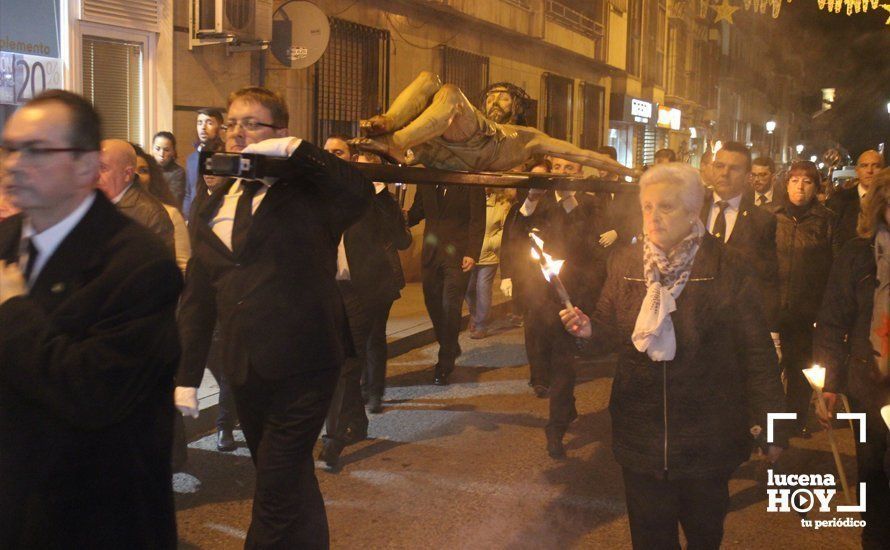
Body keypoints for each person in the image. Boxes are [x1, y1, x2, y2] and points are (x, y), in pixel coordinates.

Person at [174, 86, 372, 547]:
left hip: (305, 362)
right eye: (231, 123)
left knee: (274, 491)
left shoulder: (309, 195)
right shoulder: (214, 202)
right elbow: (200, 296)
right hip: (245, 366)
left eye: (251, 123)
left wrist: (295, 151)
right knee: (285, 475)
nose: (237, 132)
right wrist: (186, 374)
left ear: (279, 132)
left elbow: (358, 189)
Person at [560, 162, 786, 549]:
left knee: (704, 535)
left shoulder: (728, 267)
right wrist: (588, 331)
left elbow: (756, 350)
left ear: (693, 210)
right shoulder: (626, 263)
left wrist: (774, 425)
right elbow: (612, 332)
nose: (653, 216)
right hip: (641, 436)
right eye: (647, 207)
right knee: (650, 540)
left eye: (666, 207)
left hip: (707, 435)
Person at [0, 90, 181, 547]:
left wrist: (12, 310)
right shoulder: (4, 240)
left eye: (37, 150)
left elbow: (91, 394)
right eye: (10, 148)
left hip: (90, 517)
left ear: (85, 166)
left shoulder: (137, 264)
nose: (14, 163)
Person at [318, 137, 411, 468]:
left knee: (344, 362)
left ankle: (333, 438)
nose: (332, 157)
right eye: (327, 153)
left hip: (363, 291)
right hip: (329, 289)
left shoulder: (369, 196)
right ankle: (357, 422)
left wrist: (381, 192)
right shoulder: (314, 192)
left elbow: (402, 239)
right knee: (341, 359)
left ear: (353, 158)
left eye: (339, 153)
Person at [353, 71, 634, 178]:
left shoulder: (529, 137)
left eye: (504, 99)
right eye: (491, 98)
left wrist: (628, 172)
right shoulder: (466, 118)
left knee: (451, 92)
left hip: (481, 146)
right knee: (429, 79)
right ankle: (387, 123)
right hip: (445, 144)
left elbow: (581, 155)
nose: (495, 103)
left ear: (518, 106)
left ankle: (397, 141)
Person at [814, 167, 890, 548]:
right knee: (872, 469)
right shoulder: (857, 256)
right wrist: (828, 385)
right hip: (868, 382)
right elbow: (831, 320)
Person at [516, 156, 605, 457]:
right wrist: (530, 199)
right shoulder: (538, 201)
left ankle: (555, 429)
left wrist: (569, 199)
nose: (562, 173)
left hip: (573, 295)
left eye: (569, 168)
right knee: (541, 357)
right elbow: (517, 232)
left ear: (579, 172)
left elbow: (589, 241)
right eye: (558, 167)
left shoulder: (588, 203)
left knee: (562, 363)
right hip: (539, 294)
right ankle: (566, 405)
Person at [406, 163, 486, 385]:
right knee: (432, 303)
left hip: (458, 255)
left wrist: (472, 252)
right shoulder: (427, 179)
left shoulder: (469, 178)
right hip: (431, 254)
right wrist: (397, 218)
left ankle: (445, 362)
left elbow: (478, 219)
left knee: (451, 306)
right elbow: (417, 211)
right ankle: (450, 343)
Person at [773, 161, 835, 436]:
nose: (800, 186)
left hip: (805, 308)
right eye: (795, 180)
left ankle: (795, 421)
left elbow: (833, 265)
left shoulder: (826, 220)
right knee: (768, 366)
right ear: (786, 184)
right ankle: (765, 422)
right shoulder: (771, 216)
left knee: (799, 367)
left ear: (816, 187)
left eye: (807, 181)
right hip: (772, 305)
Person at [703, 142, 780, 358]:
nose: (724, 173)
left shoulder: (762, 221)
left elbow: (768, 278)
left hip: (737, 328)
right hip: (692, 325)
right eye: (719, 166)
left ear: (747, 176)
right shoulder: (691, 208)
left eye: (734, 168)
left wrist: (772, 331)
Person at [97, 139, 175, 251]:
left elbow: (160, 266)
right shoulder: (90, 204)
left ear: (127, 174)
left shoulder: (151, 214)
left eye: (103, 168)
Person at [133, 144, 191, 272]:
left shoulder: (169, 214)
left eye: (143, 171)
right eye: (132, 170)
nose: (137, 176)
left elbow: (183, 266)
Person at [466, 187, 513, 339]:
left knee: (482, 288)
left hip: (489, 256)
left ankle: (481, 324)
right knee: (468, 288)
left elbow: (505, 229)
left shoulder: (502, 203)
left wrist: (489, 243)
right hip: (469, 254)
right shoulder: (469, 199)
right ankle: (474, 314)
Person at [826, 149, 885, 254]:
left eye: (876, 166)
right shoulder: (840, 201)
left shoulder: (887, 201)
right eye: (864, 166)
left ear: (883, 170)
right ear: (857, 170)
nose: (870, 171)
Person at [184, 108, 225, 216]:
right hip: (194, 216)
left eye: (209, 123)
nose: (203, 127)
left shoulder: (226, 155)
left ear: (220, 127)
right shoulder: (191, 158)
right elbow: (188, 192)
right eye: (199, 123)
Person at [152, 131, 187, 210]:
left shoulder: (178, 172)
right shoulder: (146, 169)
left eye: (166, 150)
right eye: (157, 149)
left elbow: (173, 201)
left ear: (173, 152)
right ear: (152, 149)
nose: (161, 154)